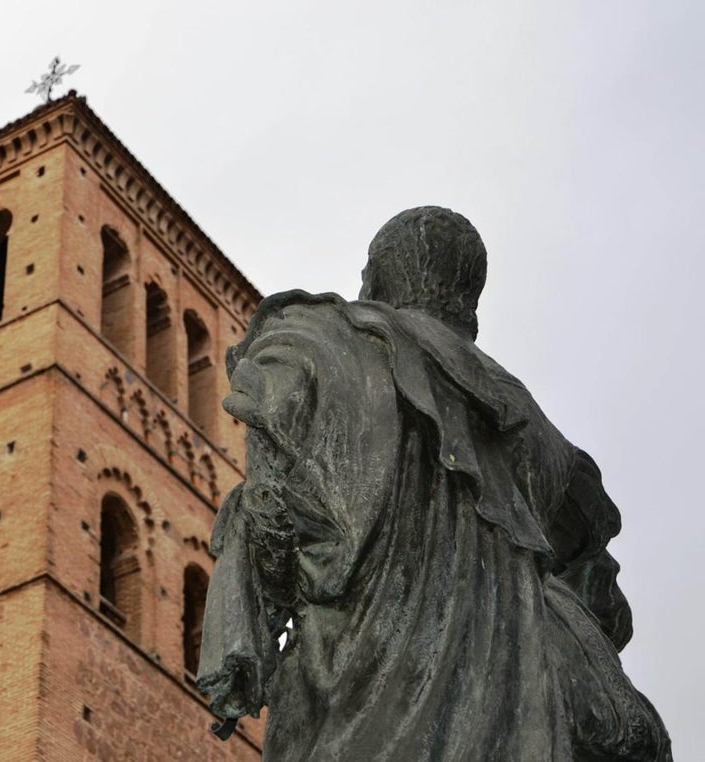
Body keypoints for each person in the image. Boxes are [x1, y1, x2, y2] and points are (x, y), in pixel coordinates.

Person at [197, 207, 671, 760]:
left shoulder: (319, 342)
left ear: (377, 279)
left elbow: (270, 513)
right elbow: (601, 598)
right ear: (468, 301)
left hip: (348, 716)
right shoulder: (538, 432)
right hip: (513, 727)